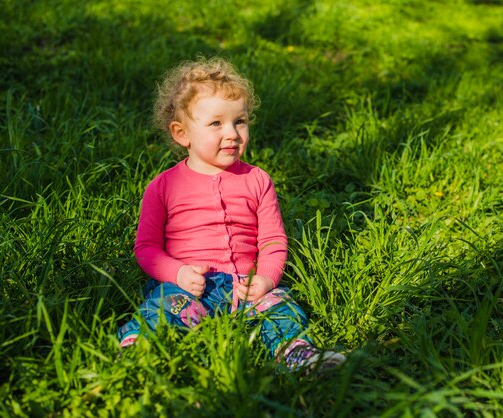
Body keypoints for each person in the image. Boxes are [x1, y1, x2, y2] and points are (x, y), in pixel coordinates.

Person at [116, 57, 345, 372]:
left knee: (280, 305)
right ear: (182, 133)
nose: (233, 133)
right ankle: (138, 349)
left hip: (245, 288)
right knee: (165, 303)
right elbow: (146, 248)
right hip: (189, 285)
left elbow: (273, 240)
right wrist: (178, 273)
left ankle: (296, 353)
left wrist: (265, 279)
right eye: (216, 123)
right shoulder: (163, 186)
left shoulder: (257, 180)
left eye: (240, 121)